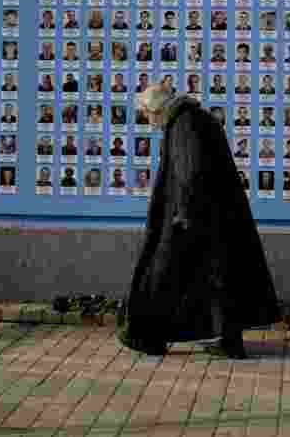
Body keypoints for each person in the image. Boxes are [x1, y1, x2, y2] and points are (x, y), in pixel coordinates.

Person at [117, 84, 280, 359]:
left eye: (146, 114)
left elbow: (190, 172)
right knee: (219, 280)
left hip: (192, 218)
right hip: (215, 217)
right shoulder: (195, 118)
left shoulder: (183, 125)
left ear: (157, 109)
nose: (148, 121)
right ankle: (229, 341)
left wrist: (184, 212)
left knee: (162, 276)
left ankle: (147, 338)